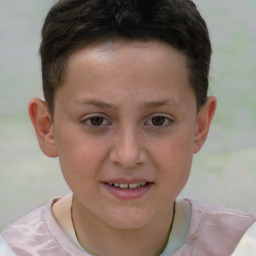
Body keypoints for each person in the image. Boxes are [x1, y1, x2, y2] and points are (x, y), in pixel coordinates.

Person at [0, 0, 255, 255]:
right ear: (47, 128)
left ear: (200, 126)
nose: (129, 155)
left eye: (158, 120)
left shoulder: (242, 246)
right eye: (96, 120)